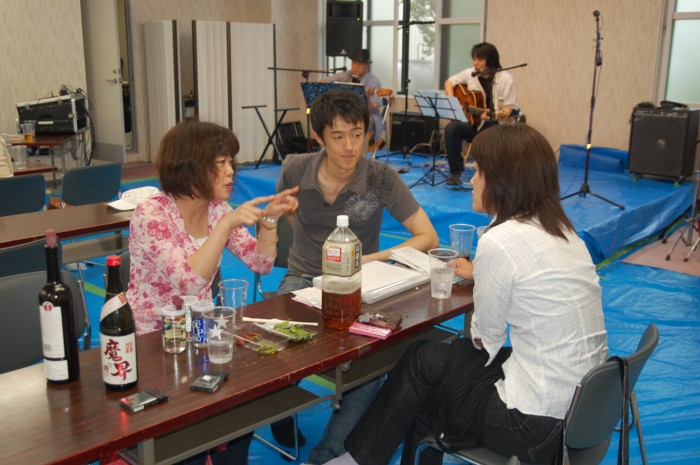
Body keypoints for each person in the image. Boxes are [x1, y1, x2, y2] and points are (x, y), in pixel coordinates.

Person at [322, 124, 609, 465]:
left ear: (503, 180)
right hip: (584, 408)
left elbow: (485, 341)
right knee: (423, 360)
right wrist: (484, 275)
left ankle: (356, 459)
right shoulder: (563, 231)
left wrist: (488, 279)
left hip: (533, 424)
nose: (471, 181)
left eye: (478, 172)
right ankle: (357, 459)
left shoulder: (500, 241)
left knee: (425, 380)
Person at [273, 88, 438, 464]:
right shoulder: (295, 168)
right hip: (303, 279)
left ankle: (328, 456)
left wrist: (368, 259)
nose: (350, 146)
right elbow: (286, 214)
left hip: (358, 285)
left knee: (369, 365)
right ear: (318, 137)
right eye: (337, 136)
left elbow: (427, 236)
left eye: (357, 134)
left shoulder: (381, 177)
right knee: (277, 346)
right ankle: (280, 413)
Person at [126, 119, 299, 465]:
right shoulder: (152, 213)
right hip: (154, 340)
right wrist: (225, 225)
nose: (231, 170)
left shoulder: (217, 209)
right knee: (188, 434)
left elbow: (260, 262)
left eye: (231, 161)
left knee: (246, 397)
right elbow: (188, 282)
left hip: (201, 333)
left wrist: (268, 221)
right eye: (220, 163)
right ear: (189, 166)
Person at [443, 42, 519, 185]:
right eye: (474, 58)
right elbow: (449, 82)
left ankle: (489, 175)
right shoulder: (470, 73)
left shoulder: (505, 78)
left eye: (480, 59)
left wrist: (500, 112)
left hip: (497, 124)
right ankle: (455, 172)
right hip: (475, 123)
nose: (475, 63)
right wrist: (453, 101)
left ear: (490, 60)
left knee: (487, 133)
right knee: (451, 129)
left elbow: (510, 107)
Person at [322, 48, 385, 146]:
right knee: (329, 122)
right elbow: (323, 81)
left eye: (360, 64)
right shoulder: (346, 75)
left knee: (354, 124)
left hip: (368, 115)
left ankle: (356, 150)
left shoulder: (374, 81)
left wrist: (367, 97)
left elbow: (372, 109)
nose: (356, 66)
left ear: (367, 65)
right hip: (346, 113)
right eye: (354, 63)